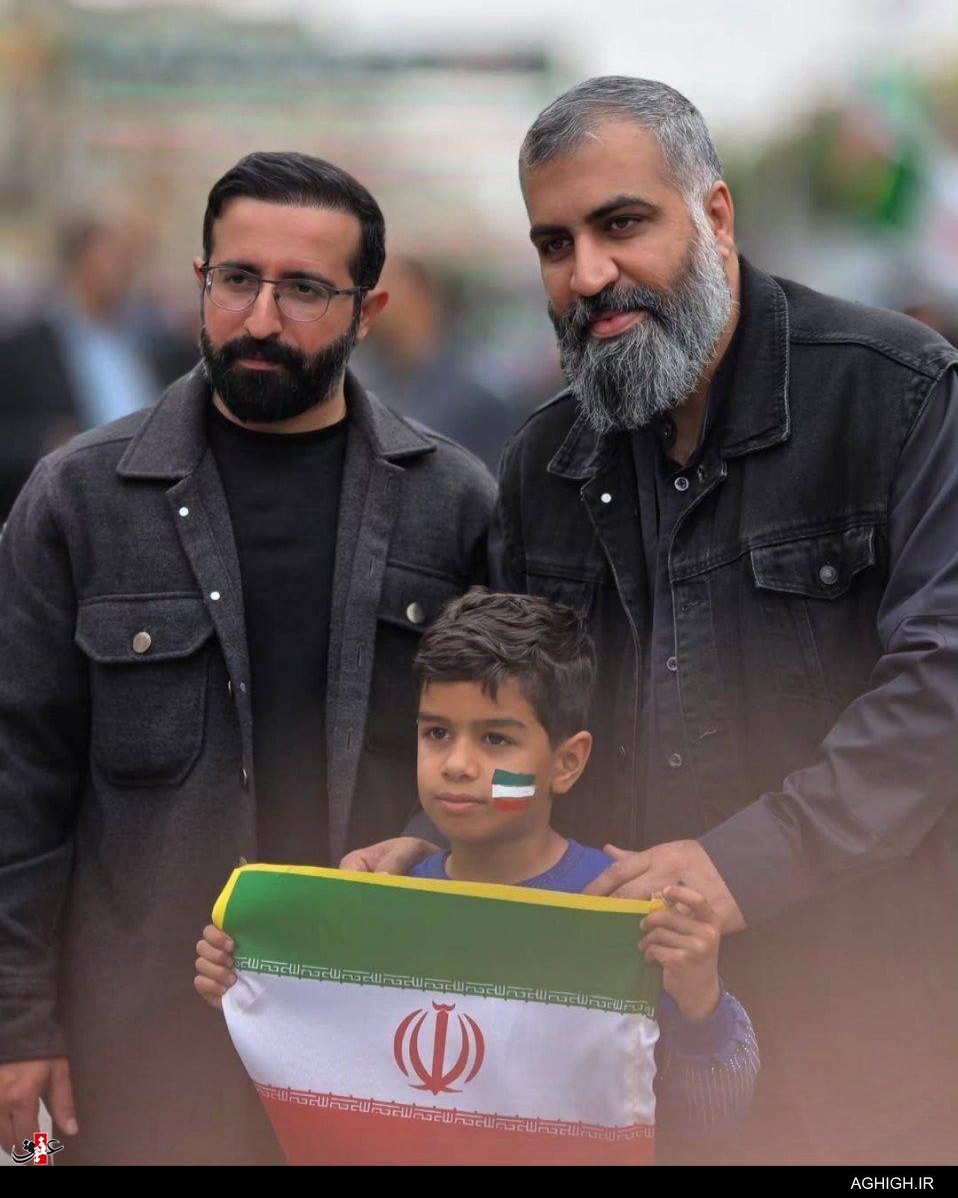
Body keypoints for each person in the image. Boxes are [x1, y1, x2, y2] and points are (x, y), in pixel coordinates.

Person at [344, 78, 958, 1166]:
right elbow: (514, 717)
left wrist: (742, 865)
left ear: (714, 216)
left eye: (621, 223)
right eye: (554, 243)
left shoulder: (896, 394)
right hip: (620, 1055)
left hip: (867, 1038)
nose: (588, 274)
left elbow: (940, 684)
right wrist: (446, 838)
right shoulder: (544, 459)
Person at [0, 151, 495, 1166]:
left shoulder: (453, 505)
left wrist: (427, 843)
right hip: (138, 1055)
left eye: (304, 289)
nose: (261, 318)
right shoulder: (81, 499)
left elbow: (519, 761)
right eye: (237, 280)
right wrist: (18, 1018)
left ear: (368, 309)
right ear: (198, 282)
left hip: (386, 1043)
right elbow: (18, 776)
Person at [196, 590, 759, 1150]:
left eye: (495, 739)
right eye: (437, 733)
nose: (458, 765)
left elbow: (715, 1118)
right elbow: (331, 1065)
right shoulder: (381, 906)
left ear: (567, 762)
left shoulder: (623, 914)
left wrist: (701, 1003)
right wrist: (251, 986)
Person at [0, 217, 180, 519]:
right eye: (111, 255)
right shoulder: (25, 350)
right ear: (78, 262)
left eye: (127, 257)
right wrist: (48, 441)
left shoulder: (150, 343)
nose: (124, 268)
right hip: (71, 510)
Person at [352, 255, 517, 472]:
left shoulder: (473, 398)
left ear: (422, 300)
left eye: (384, 296)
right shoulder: (366, 387)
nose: (369, 308)